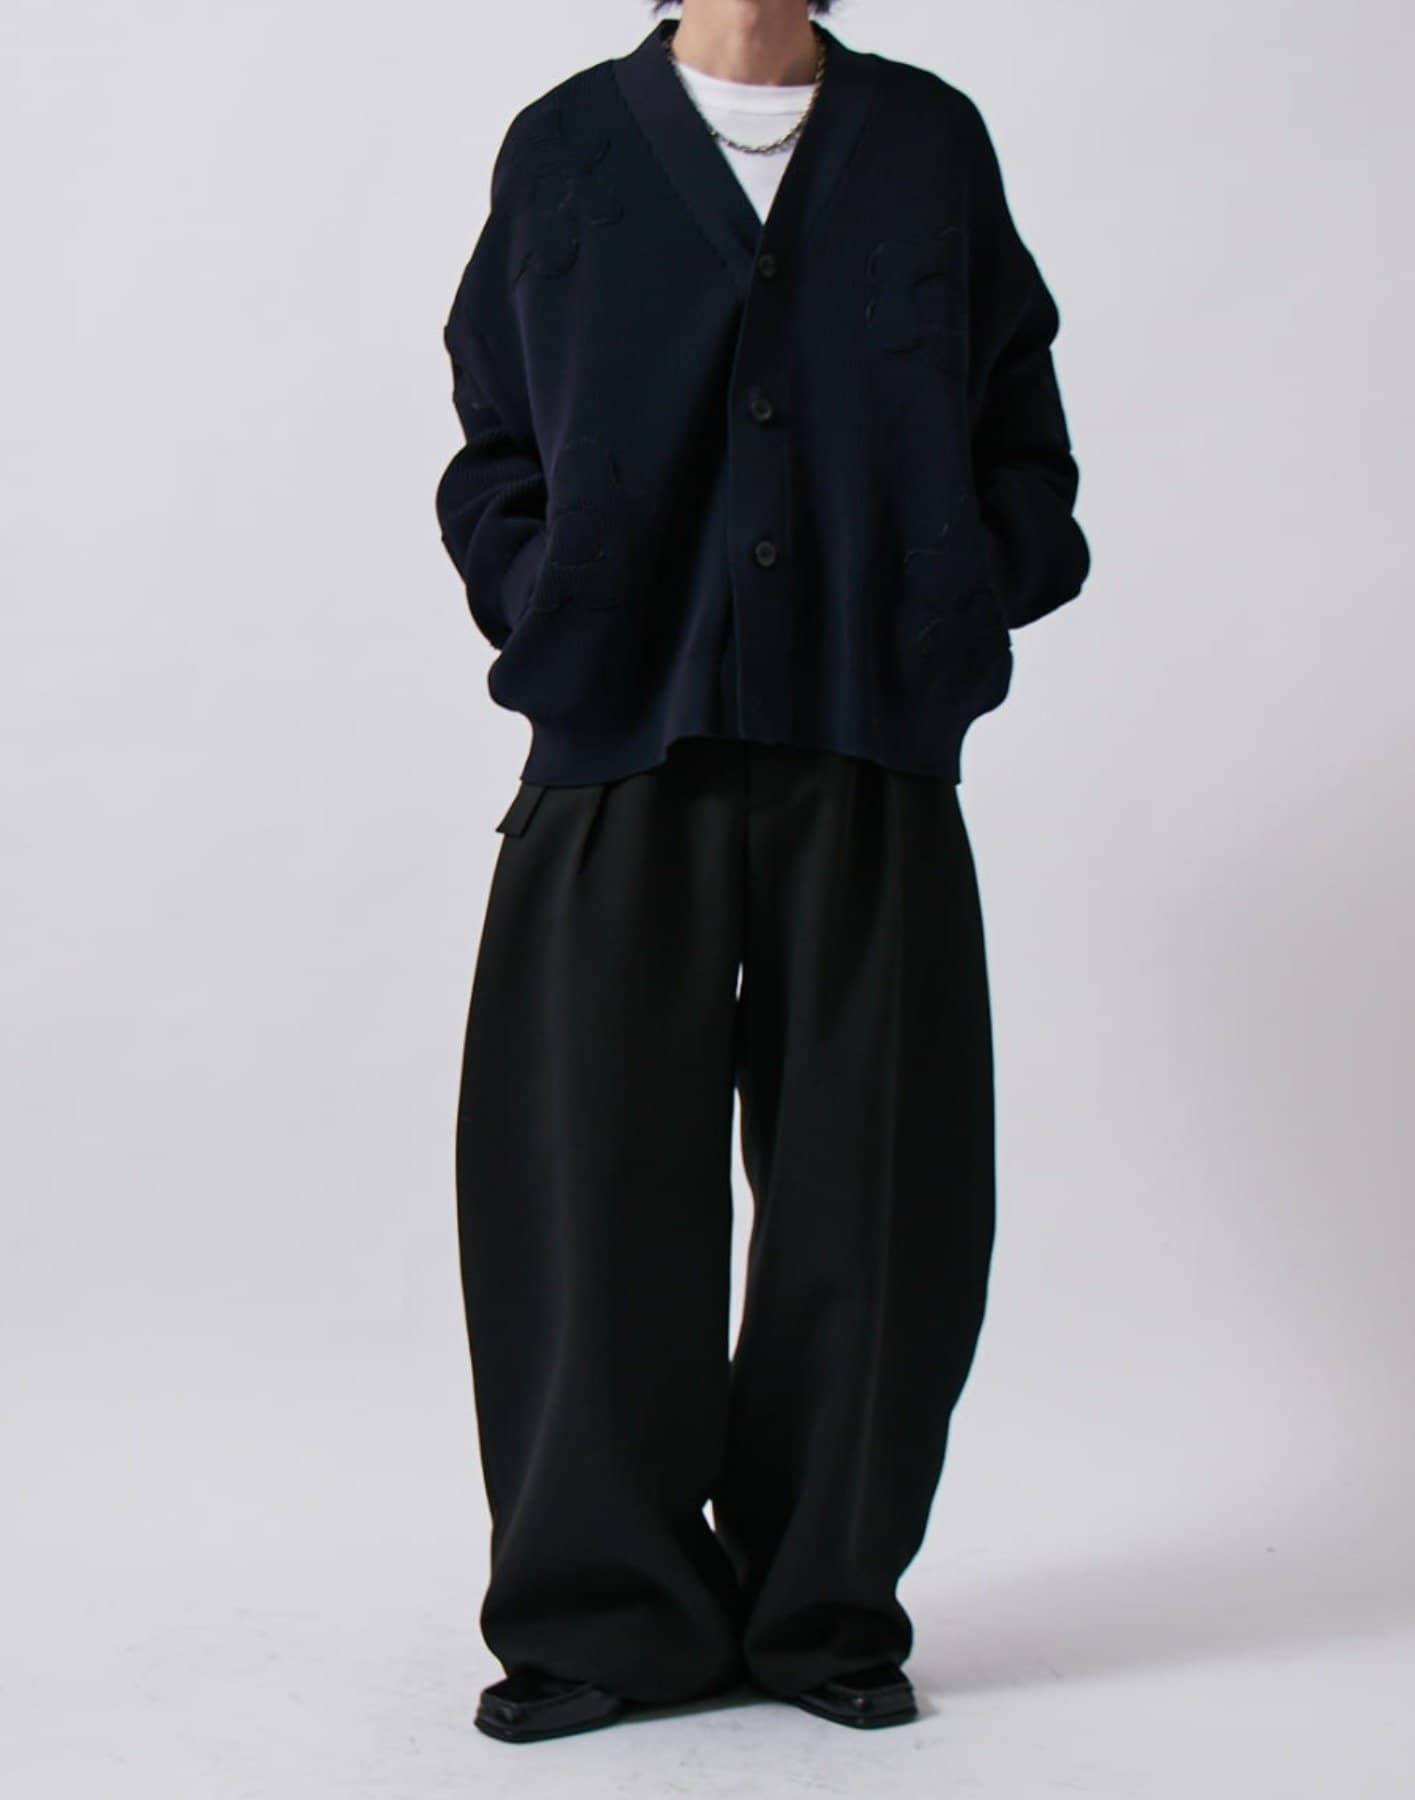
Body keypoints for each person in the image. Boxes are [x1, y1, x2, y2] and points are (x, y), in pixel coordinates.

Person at [434, 0, 1089, 1743]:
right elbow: (492, 438)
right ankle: (605, 1622)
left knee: (877, 1193)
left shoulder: (928, 145)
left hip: (867, 743)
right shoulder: (568, 147)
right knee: (585, 1184)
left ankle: (823, 1607)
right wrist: (550, 603)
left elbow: (1025, 435)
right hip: (619, 745)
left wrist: (948, 598)